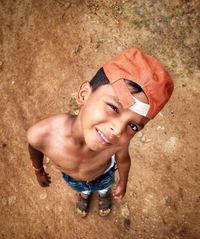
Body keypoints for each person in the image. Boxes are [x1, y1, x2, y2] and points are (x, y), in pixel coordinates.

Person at [27, 48, 174, 218]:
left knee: (104, 187)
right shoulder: (41, 135)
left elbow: (123, 159)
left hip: (104, 175)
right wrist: (38, 170)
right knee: (83, 188)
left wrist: (123, 181)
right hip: (73, 178)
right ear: (84, 95)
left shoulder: (117, 143)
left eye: (133, 126)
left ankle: (104, 193)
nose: (118, 131)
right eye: (113, 107)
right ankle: (85, 193)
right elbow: (34, 149)